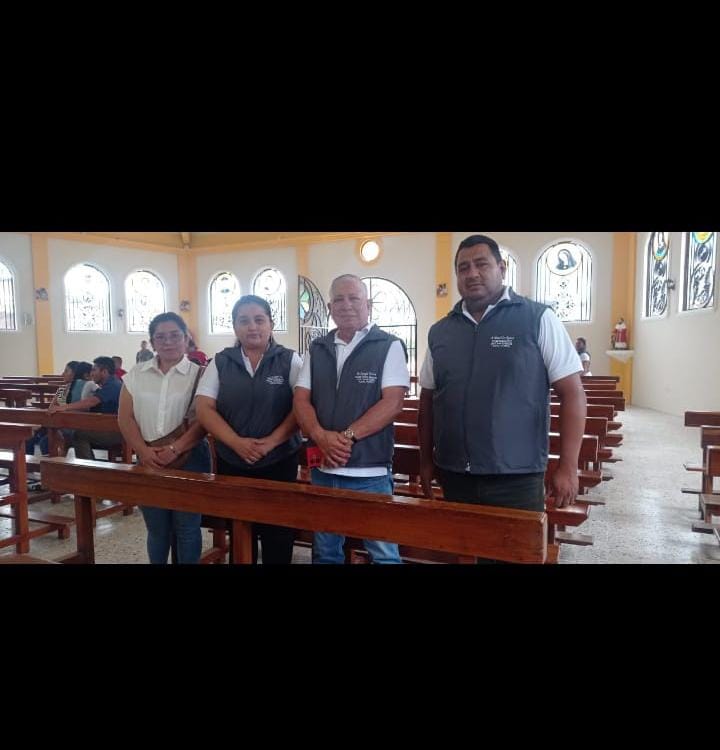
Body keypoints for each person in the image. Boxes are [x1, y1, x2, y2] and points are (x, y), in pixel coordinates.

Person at [418, 234, 586, 528]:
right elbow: (428, 400)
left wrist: (568, 466)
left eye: (481, 264)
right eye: (463, 267)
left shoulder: (538, 319)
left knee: (516, 549)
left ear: (501, 268)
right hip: (454, 473)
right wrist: (425, 461)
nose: (472, 273)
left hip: (517, 476)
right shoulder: (441, 332)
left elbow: (572, 394)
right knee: (461, 548)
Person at [294, 274, 410, 564]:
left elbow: (393, 402)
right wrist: (321, 436)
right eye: (339, 299)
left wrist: (345, 438)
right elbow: (301, 399)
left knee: (384, 555)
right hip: (323, 469)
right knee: (325, 552)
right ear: (330, 307)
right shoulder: (317, 348)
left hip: (369, 472)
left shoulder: (388, 345)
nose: (346, 305)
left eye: (354, 298)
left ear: (368, 304)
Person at [196, 295, 302, 564]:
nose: (252, 327)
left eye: (259, 320)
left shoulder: (289, 360)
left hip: (279, 461)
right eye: (243, 321)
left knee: (278, 533)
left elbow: (301, 406)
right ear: (235, 326)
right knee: (241, 531)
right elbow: (204, 408)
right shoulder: (221, 362)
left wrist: (271, 442)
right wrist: (236, 443)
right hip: (233, 461)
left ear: (271, 324)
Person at [118, 312, 211, 564]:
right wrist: (143, 451)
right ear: (152, 342)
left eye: (175, 336)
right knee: (157, 528)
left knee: (187, 528)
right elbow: (125, 418)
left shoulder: (200, 374)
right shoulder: (137, 374)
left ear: (186, 339)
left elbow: (204, 420)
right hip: (148, 458)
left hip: (190, 458)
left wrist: (176, 448)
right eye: (160, 337)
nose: (168, 342)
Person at [49, 356, 123, 459]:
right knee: (69, 433)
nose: (91, 374)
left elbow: (91, 401)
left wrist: (64, 407)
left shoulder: (111, 385)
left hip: (117, 430)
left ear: (104, 372)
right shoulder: (64, 388)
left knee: (78, 434)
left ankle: (88, 466)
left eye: (94, 370)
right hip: (108, 425)